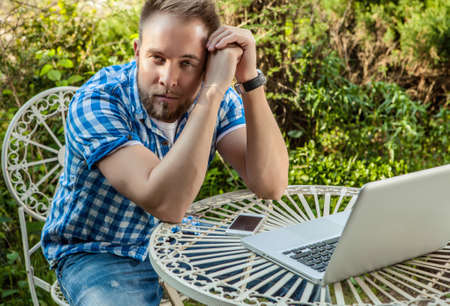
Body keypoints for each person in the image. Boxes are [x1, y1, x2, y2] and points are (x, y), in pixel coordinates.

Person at [41, 0, 289, 304]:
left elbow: (271, 184)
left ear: (207, 65)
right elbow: (167, 204)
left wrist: (249, 81)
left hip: (177, 236)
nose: (169, 80)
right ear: (136, 51)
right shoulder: (99, 100)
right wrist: (210, 94)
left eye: (187, 63)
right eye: (157, 58)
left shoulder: (214, 94)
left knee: (294, 277)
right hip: (100, 251)